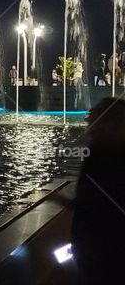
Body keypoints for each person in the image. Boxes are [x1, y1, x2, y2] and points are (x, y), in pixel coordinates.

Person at [72, 98, 125, 283]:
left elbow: (98, 202)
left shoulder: (105, 156)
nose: (87, 120)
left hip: (104, 253)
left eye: (93, 116)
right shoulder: (97, 151)